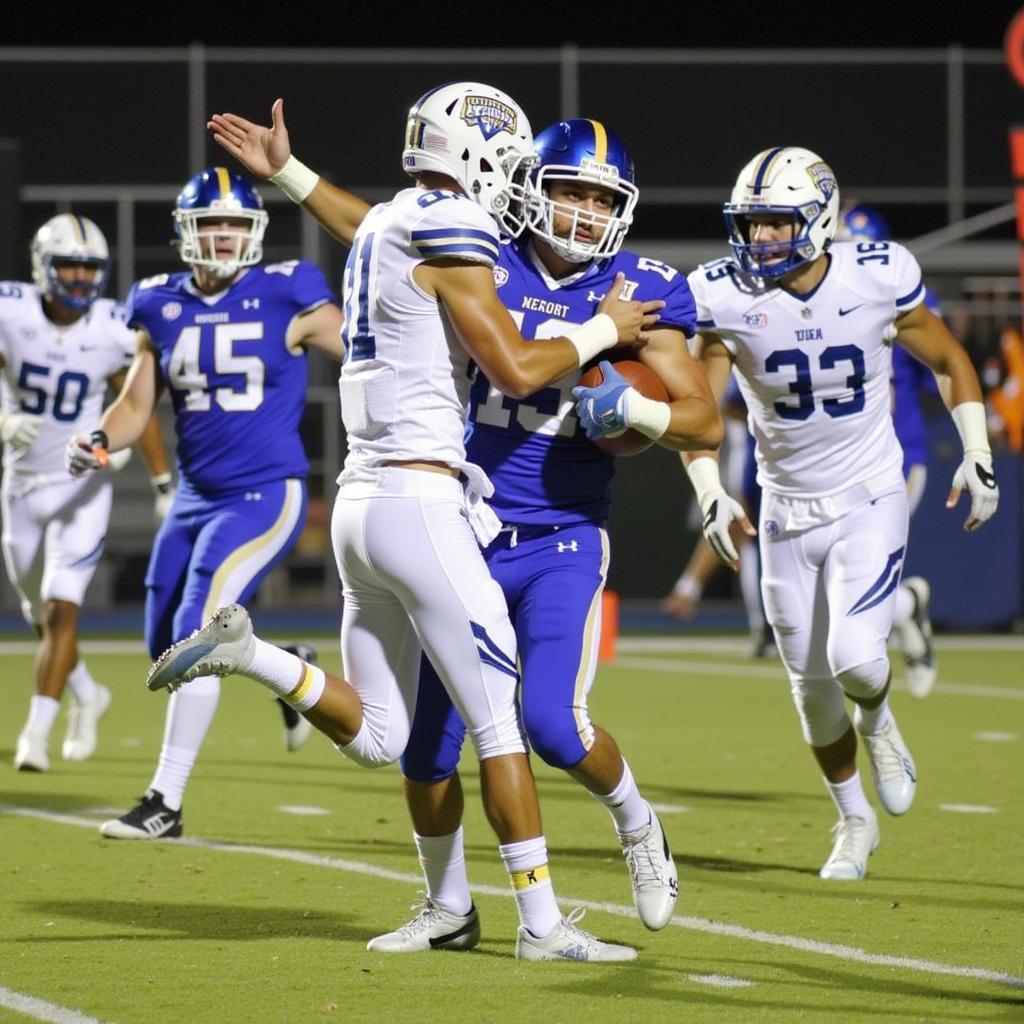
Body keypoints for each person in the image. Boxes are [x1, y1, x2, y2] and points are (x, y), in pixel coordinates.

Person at [154, 82, 670, 962]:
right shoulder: (453, 226)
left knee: (389, 738)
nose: (518, 183)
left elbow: (359, 225)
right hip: (426, 503)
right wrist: (599, 330)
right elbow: (512, 369)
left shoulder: (392, 223)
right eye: (508, 163)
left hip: (359, 503)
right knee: (499, 728)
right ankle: (542, 927)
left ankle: (256, 656)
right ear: (475, 159)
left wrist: (291, 174)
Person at [325, 117, 718, 951]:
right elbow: (374, 229)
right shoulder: (479, 248)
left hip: (561, 534)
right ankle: (448, 909)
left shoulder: (642, 287)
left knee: (550, 724)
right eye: (569, 189)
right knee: (427, 748)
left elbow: (704, 420)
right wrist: (289, 174)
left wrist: (643, 409)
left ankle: (638, 823)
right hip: (459, 528)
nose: (581, 211)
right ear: (531, 187)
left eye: (600, 198)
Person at [587, 146, 999, 882]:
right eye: (753, 224)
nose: (763, 239)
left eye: (777, 223)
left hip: (869, 492)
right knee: (810, 693)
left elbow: (946, 360)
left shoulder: (877, 274)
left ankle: (879, 722)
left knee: (857, 660)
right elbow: (700, 412)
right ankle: (853, 820)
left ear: (820, 219)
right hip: (783, 508)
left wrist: (975, 445)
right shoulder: (723, 295)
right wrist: (712, 491)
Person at [66, 167, 344, 838]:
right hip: (195, 497)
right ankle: (292, 668)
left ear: (254, 232)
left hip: (262, 492)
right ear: (186, 233)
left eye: (234, 225)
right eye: (210, 225)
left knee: (196, 634)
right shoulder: (158, 301)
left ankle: (165, 803)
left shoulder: (288, 290)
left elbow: (362, 353)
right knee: (164, 644)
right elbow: (137, 401)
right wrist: (102, 436)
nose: (222, 238)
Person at [2, 213, 173, 772]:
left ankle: (36, 734)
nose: (79, 278)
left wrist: (160, 479)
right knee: (37, 610)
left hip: (82, 484)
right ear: (42, 267)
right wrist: (3, 418)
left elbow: (137, 403)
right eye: (69, 266)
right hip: (21, 484)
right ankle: (87, 693)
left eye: (89, 268)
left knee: (58, 612)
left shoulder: (112, 325)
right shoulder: (12, 309)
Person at [836, 203, 939, 697]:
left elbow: (942, 369)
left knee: (854, 572)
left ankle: (901, 611)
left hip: (895, 456)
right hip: (836, 461)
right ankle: (907, 606)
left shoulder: (908, 298)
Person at [660, 383, 773, 657]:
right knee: (748, 531)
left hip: (763, 451)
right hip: (751, 451)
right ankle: (767, 629)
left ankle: (770, 629)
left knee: (750, 531)